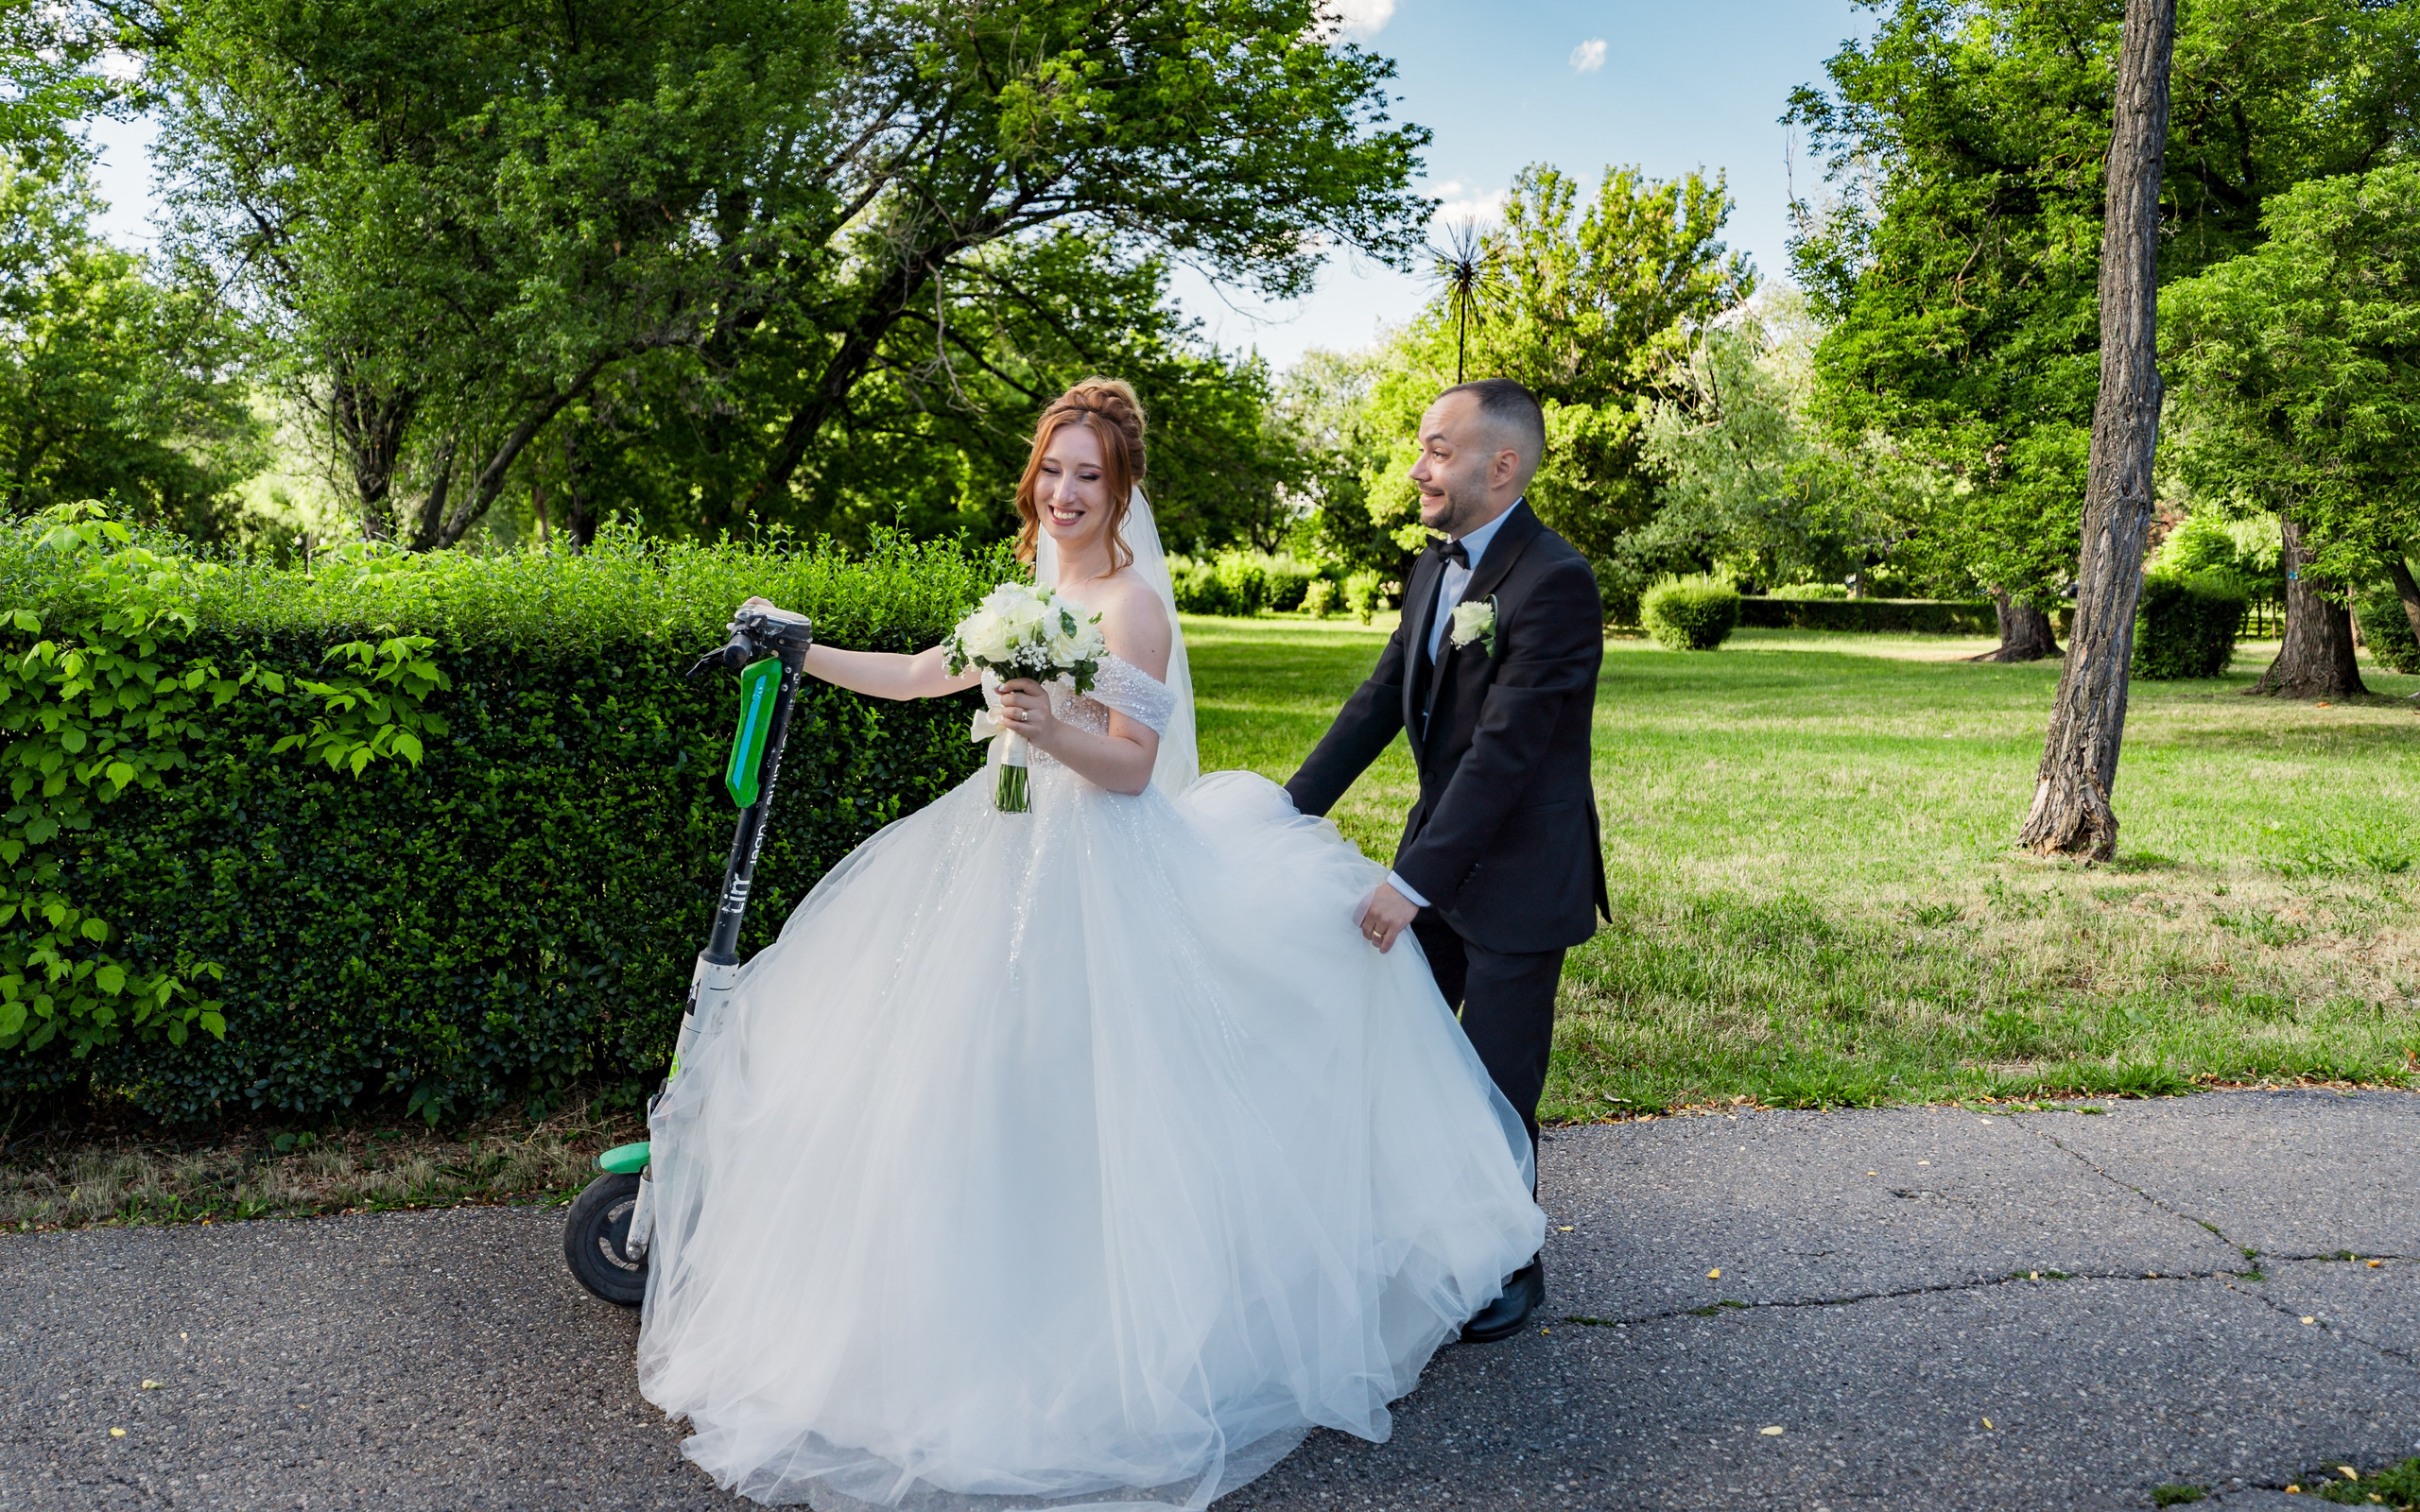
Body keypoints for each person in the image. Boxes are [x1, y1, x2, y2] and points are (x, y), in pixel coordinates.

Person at [634, 378, 1543, 1511]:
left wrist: (1050, 724)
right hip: (986, 854)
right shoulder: (1028, 585)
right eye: (1051, 471)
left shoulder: (1131, 609)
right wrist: (805, 647)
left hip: (1096, 867)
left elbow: (1128, 768)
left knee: (1082, 1085)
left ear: (1120, 491)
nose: (1064, 494)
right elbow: (926, 676)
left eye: (1088, 477)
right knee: (953, 1078)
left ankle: (1085, 1322)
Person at [1285, 378, 1609, 1343]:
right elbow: (1382, 699)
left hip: (1515, 880)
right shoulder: (1434, 568)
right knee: (1410, 1060)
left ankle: (1514, 1261)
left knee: (1495, 1086)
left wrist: (1408, 884)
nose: (1418, 468)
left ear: (1497, 465)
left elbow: (1505, 751)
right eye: (1421, 448)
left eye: (1436, 450)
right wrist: (1285, 811)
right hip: (1439, 863)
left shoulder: (1555, 581)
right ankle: (1428, 1234)